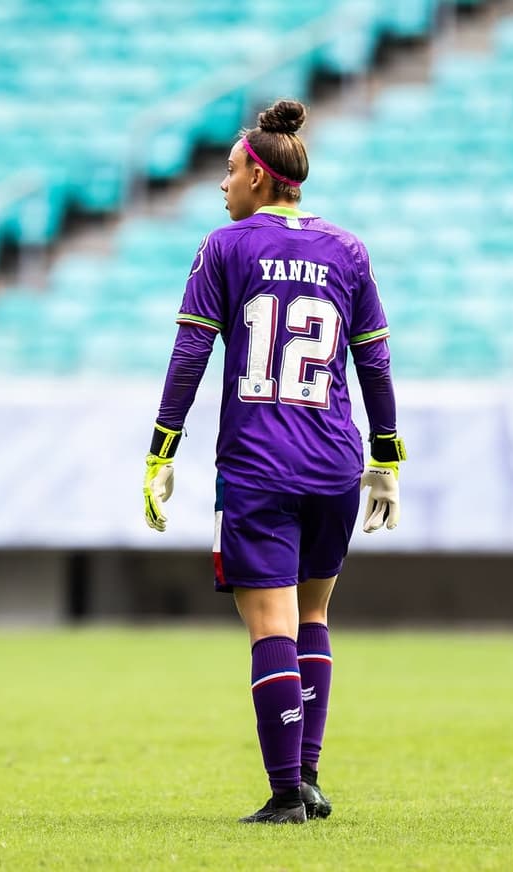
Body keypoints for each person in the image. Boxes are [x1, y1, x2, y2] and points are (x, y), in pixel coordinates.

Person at [143, 99, 406, 825]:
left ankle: (287, 792)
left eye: (229, 172)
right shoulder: (347, 250)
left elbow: (192, 350)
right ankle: (310, 777)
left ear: (260, 177)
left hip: (260, 468)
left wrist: (162, 449)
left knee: (272, 628)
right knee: (314, 615)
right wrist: (385, 452)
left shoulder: (224, 249)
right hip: (333, 465)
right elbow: (374, 361)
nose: (221, 185)